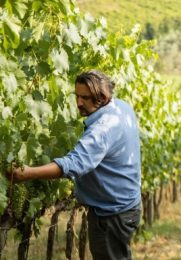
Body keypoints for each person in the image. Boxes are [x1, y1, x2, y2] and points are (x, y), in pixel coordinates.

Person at [6, 70, 142, 260]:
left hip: (112, 215)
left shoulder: (103, 128)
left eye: (85, 98)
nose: (78, 103)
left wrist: (27, 173)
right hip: (126, 207)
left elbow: (75, 163)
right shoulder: (121, 108)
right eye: (76, 96)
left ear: (102, 97)